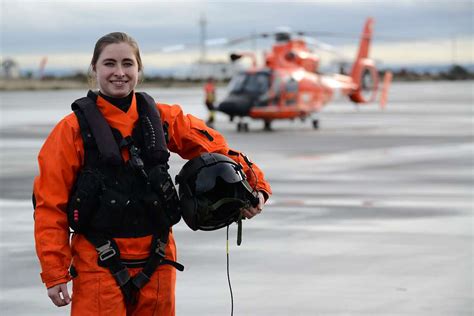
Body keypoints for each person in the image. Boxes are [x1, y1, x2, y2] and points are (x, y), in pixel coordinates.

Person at [33, 32, 271, 316]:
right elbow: (50, 205)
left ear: (139, 69)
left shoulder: (162, 118)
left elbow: (218, 149)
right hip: (97, 262)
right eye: (109, 64)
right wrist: (55, 272)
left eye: (127, 64)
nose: (119, 73)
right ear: (94, 68)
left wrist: (255, 187)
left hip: (157, 261)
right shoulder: (71, 131)